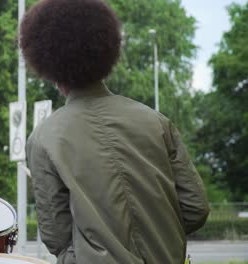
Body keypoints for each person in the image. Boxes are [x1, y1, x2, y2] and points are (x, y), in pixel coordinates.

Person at [20, 0, 210, 263]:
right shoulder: (156, 122)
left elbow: (57, 237)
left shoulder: (43, 139)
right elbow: (195, 209)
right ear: (106, 49)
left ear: (45, 63)